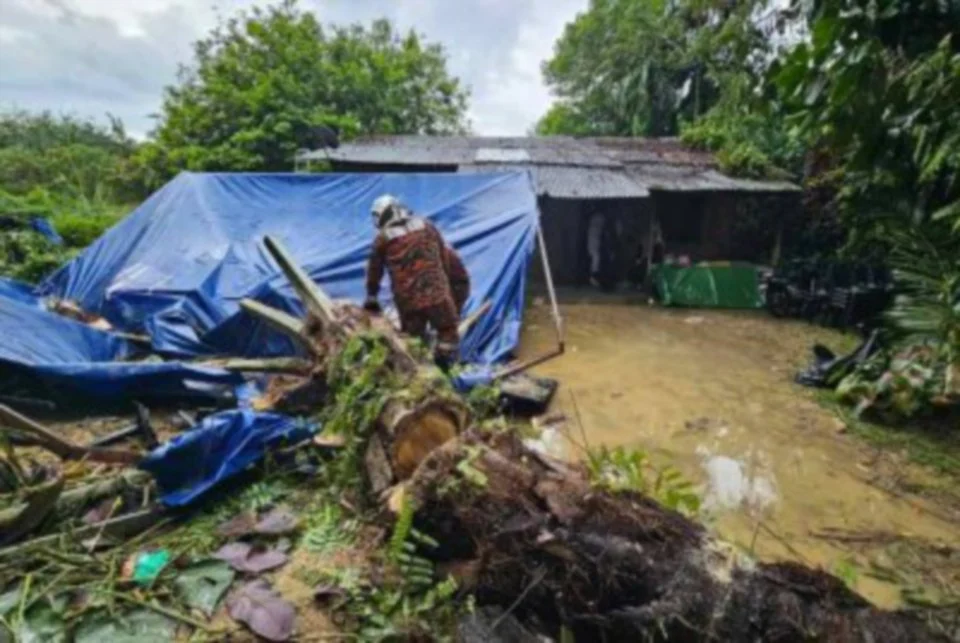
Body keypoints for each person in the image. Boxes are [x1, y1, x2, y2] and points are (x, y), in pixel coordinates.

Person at [364, 195, 470, 370]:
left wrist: (371, 296)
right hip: (437, 295)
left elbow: (374, 271)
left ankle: (419, 373)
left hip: (408, 302)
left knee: (413, 342)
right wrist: (444, 287)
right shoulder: (427, 226)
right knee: (448, 333)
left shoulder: (382, 239)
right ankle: (445, 369)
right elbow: (443, 260)